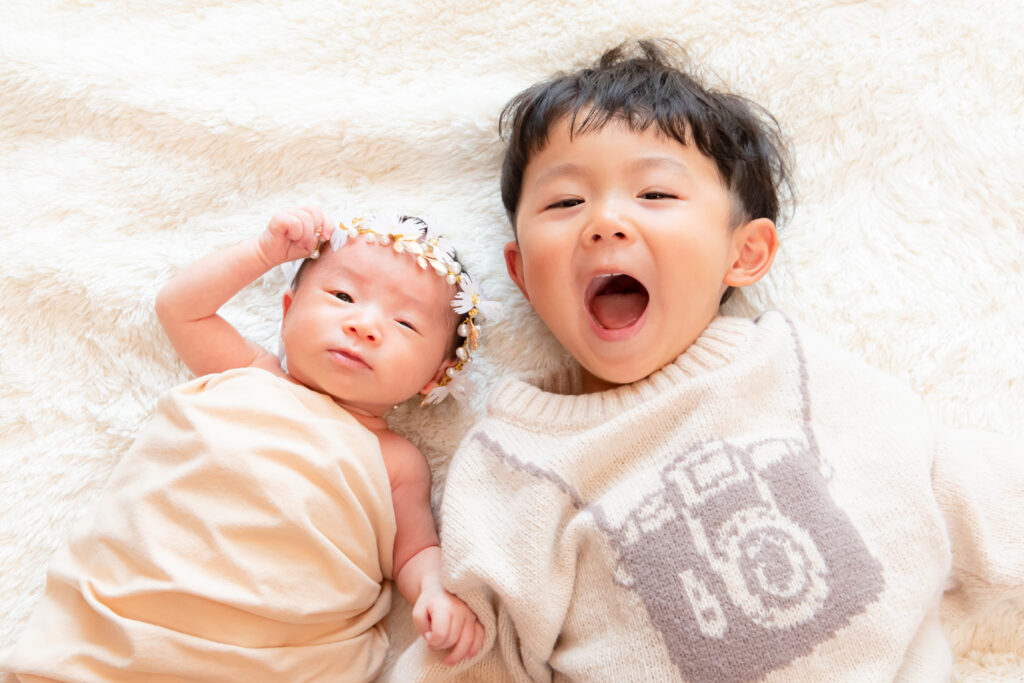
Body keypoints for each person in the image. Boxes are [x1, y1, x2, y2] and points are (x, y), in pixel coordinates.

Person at [385, 40, 1024, 681]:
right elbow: (471, 652)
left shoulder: (790, 367)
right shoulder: (513, 464)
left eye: (656, 193)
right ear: (523, 274)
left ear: (743, 254)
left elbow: (948, 480)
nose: (605, 222)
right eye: (565, 202)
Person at [1, 206, 489, 681]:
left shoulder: (396, 460)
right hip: (130, 614)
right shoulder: (246, 372)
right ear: (287, 311)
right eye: (343, 296)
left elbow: (413, 551)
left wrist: (432, 591)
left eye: (405, 323)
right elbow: (179, 308)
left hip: (268, 653)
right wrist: (263, 253)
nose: (364, 325)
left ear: (436, 376)